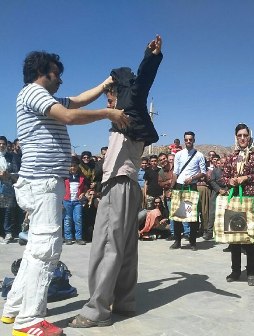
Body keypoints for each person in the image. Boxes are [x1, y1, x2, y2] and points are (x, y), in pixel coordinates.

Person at [1, 50, 127, 336]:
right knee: (46, 250)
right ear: (42, 73)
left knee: (36, 248)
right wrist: (108, 113)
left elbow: (79, 100)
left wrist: (105, 83)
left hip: (42, 182)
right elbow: (70, 116)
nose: (60, 79)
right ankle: (28, 321)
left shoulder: (45, 98)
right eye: (56, 74)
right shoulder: (33, 93)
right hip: (42, 182)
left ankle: (13, 309)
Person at [69, 35, 163, 329]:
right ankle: (124, 302)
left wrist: (149, 58)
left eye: (110, 96)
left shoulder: (128, 112)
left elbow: (139, 86)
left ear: (118, 93)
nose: (107, 102)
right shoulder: (129, 120)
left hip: (120, 185)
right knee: (124, 248)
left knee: (106, 245)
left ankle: (96, 310)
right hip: (127, 186)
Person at [221, 123, 254, 286]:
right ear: (236, 137)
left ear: (249, 137)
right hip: (234, 200)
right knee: (234, 236)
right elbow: (223, 177)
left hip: (249, 199)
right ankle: (235, 270)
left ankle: (252, 272)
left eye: (245, 135)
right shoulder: (231, 157)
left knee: (250, 237)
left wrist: (246, 178)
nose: (242, 138)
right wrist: (230, 180)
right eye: (239, 135)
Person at [169, 131, 206, 251]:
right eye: (186, 139)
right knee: (177, 215)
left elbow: (203, 172)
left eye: (190, 139)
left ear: (194, 140)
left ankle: (193, 242)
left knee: (192, 216)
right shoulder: (179, 154)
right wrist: (171, 187)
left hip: (192, 187)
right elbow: (175, 172)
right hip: (179, 187)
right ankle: (177, 241)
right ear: (184, 140)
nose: (188, 141)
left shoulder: (199, 155)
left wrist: (192, 178)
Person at [63, 156, 89, 245]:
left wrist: (83, 193)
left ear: (78, 166)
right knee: (67, 219)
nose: (73, 167)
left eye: (75, 165)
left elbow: (85, 188)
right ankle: (68, 237)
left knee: (78, 219)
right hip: (67, 201)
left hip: (78, 202)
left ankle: (79, 238)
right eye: (71, 166)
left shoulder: (82, 177)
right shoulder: (65, 177)